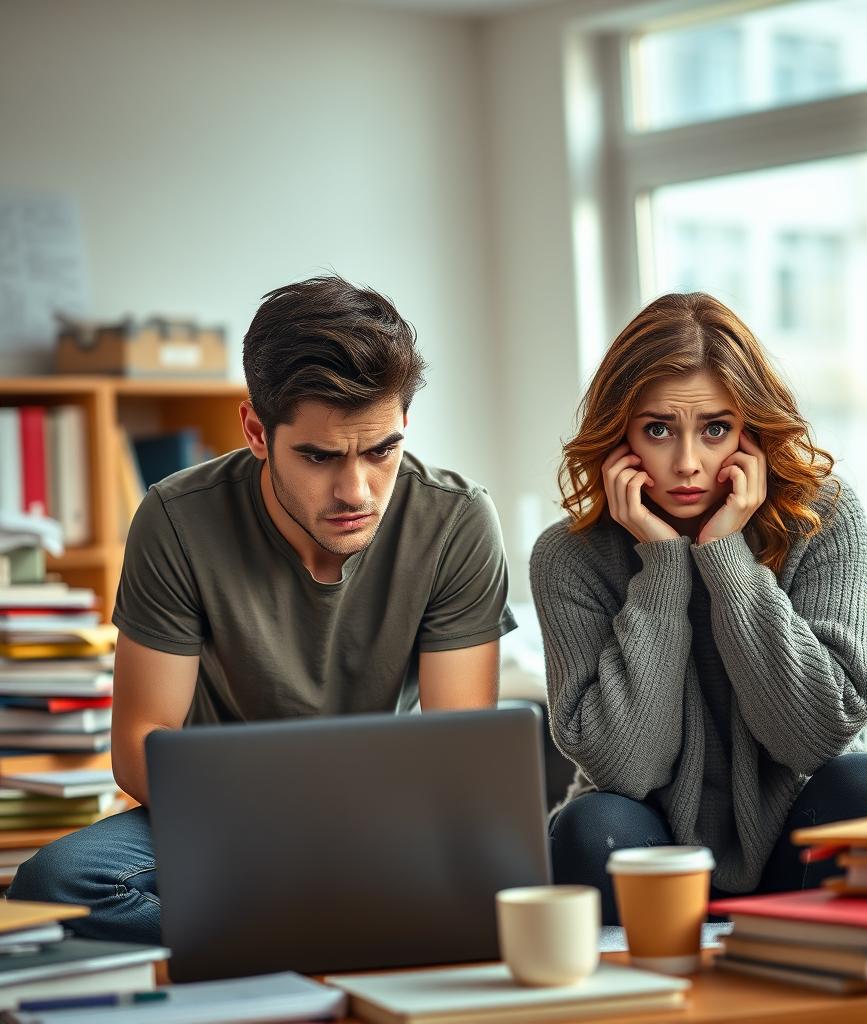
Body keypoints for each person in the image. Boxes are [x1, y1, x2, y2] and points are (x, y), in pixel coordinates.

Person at [10, 275, 516, 943]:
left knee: (515, 869)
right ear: (255, 429)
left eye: (381, 449)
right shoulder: (176, 519)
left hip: (383, 821)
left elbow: (456, 755)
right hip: (220, 817)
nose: (355, 489)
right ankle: (330, 937)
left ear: (404, 426)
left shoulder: (455, 521)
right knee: (57, 885)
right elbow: (140, 746)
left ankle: (266, 937)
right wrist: (273, 833)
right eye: (318, 456)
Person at [530, 292, 867, 924]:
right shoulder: (568, 557)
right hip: (651, 851)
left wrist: (725, 557)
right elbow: (628, 762)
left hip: (801, 832)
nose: (687, 464)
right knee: (589, 824)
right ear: (618, 434)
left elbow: (816, 733)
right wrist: (664, 570)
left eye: (715, 429)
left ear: (751, 430)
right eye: (658, 430)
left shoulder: (826, 518)